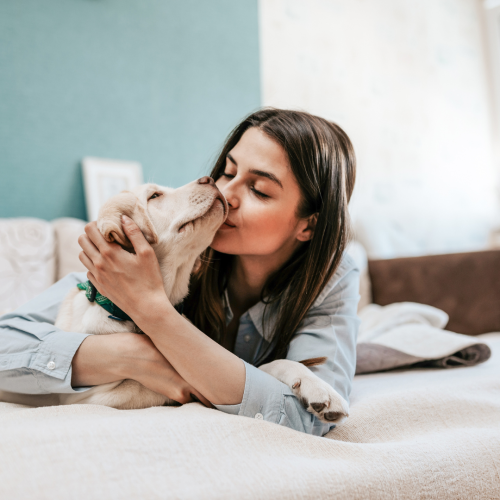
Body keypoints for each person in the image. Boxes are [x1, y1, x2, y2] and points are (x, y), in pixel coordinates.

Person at [0, 108, 360, 436]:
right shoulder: (166, 253)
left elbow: (307, 419)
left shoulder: (332, 278)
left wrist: (152, 310)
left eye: (259, 190)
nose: (226, 192)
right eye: (229, 171)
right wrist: (135, 356)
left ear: (308, 227)